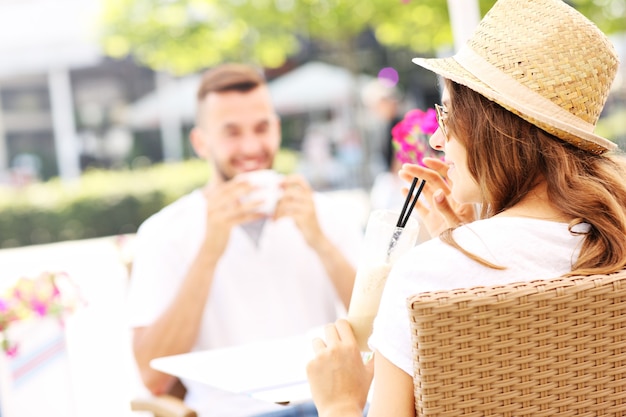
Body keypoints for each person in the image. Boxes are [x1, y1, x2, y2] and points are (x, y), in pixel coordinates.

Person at [305, 0, 626, 416]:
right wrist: (467, 240)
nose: (437, 140)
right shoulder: (612, 241)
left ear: (490, 125)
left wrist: (339, 403)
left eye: (447, 114)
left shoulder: (427, 275)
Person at [126, 63, 363, 416]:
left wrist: (319, 242)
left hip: (329, 404)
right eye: (232, 132)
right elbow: (152, 376)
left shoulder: (322, 213)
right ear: (200, 142)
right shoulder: (165, 232)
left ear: (277, 129)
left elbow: (380, 329)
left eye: (262, 127)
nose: (251, 146)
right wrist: (209, 252)